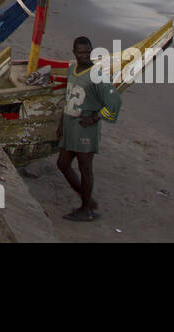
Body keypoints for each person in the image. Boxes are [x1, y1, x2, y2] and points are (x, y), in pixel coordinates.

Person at [56, 36, 122, 222]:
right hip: (70, 126)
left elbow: (114, 101)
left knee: (85, 168)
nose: (84, 55)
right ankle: (89, 201)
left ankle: (86, 210)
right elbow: (69, 97)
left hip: (85, 129)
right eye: (80, 52)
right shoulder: (72, 70)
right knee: (62, 164)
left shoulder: (97, 74)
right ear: (74, 53)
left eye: (87, 51)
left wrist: (95, 117)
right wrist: (62, 124)